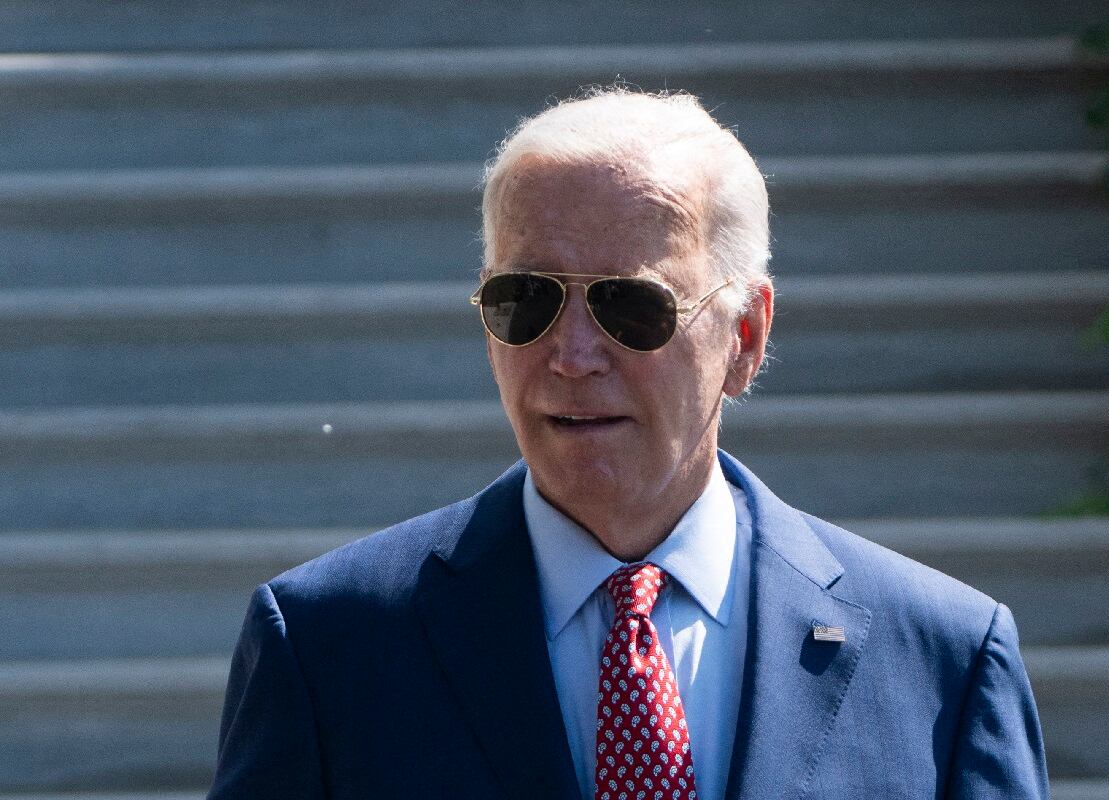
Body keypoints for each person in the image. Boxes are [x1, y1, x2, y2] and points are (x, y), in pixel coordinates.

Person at [208, 89, 1048, 799]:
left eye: (631, 307)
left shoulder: (943, 660)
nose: (571, 356)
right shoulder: (326, 648)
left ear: (745, 337)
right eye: (525, 300)